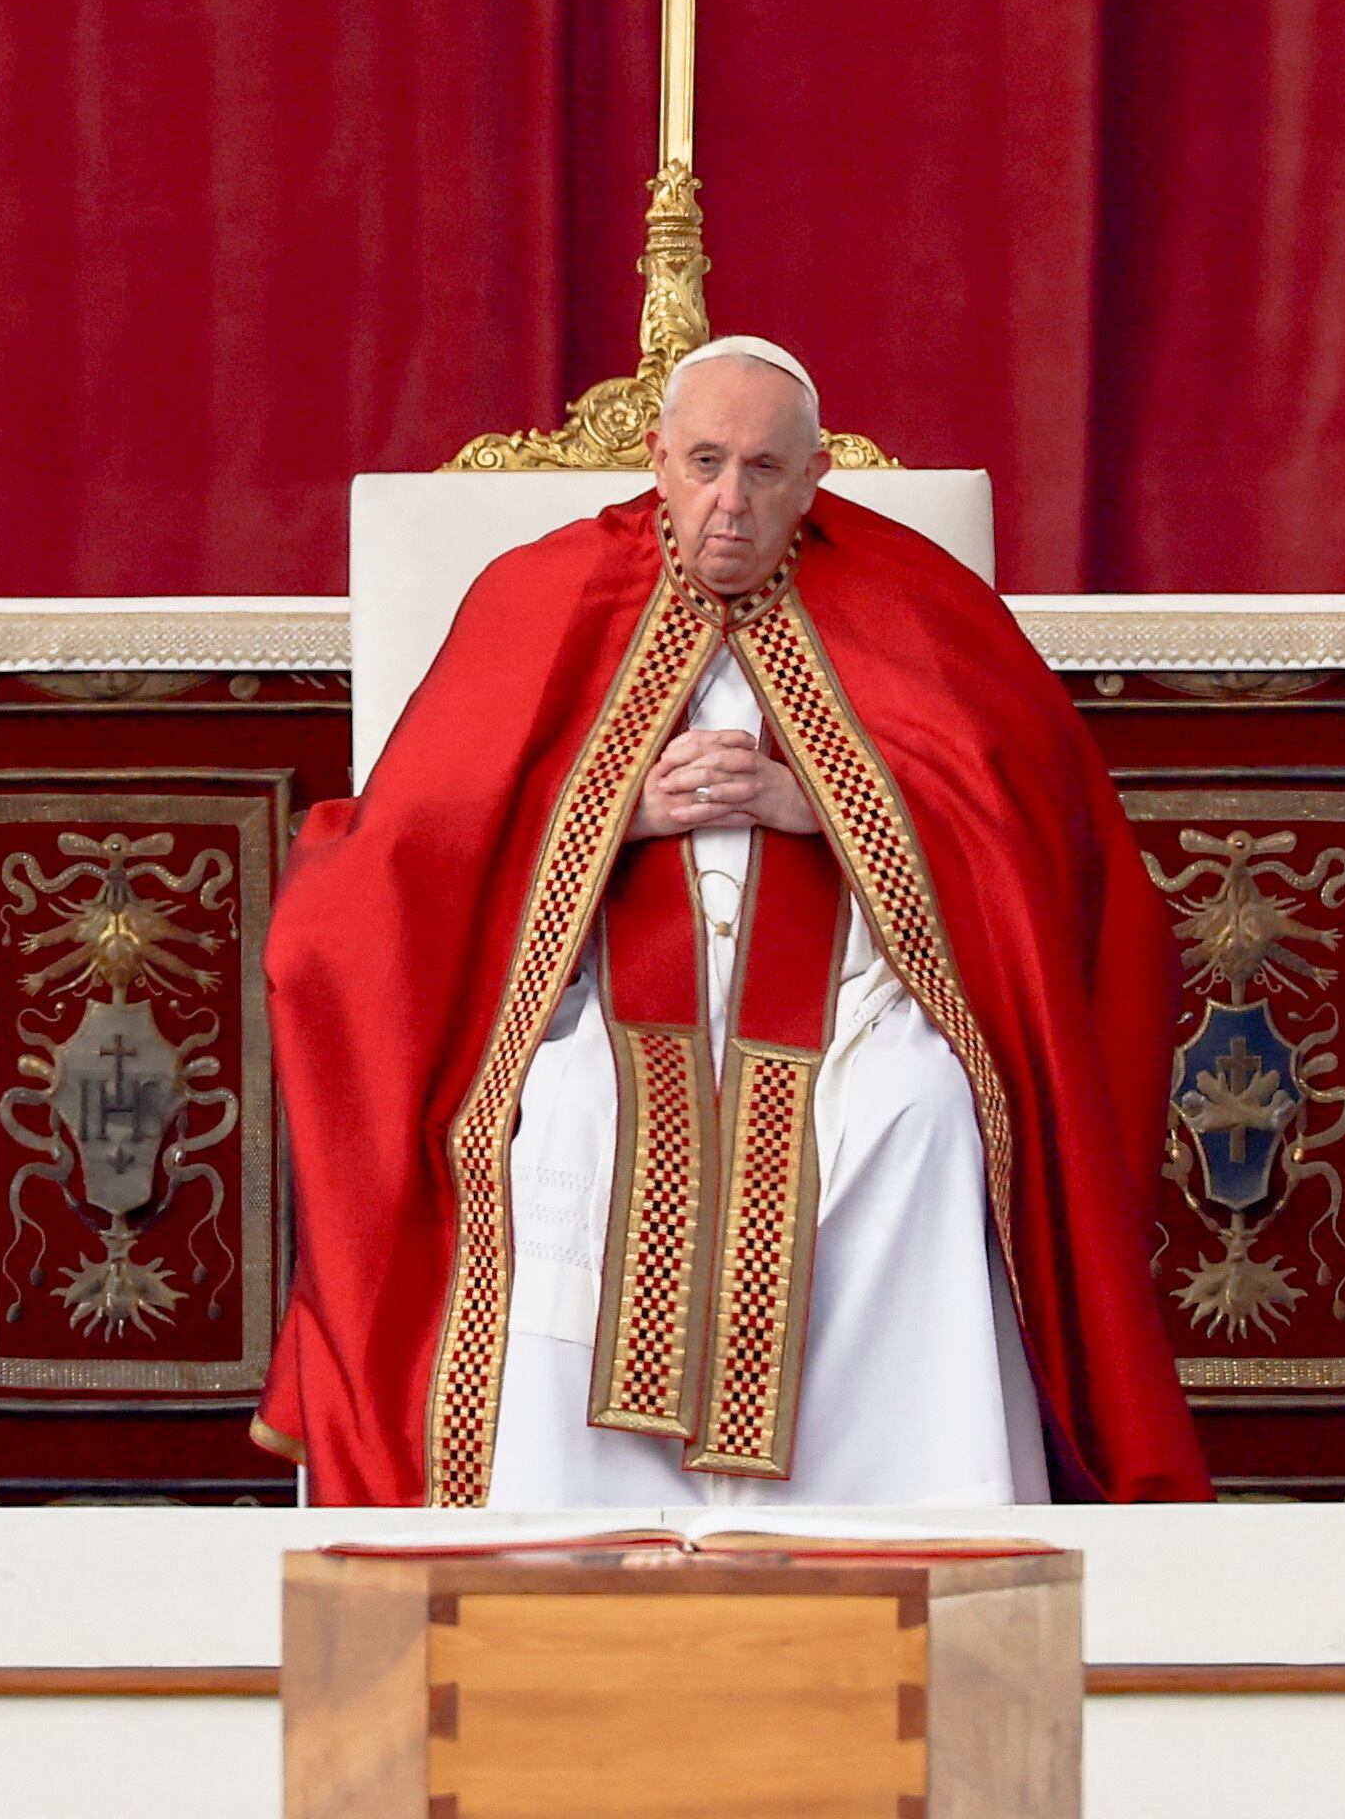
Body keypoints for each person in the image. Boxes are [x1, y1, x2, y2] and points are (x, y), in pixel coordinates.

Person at [261, 336, 1212, 1506]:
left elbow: (1042, 848)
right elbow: (412, 854)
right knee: (572, 1111)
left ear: (815, 477)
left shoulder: (917, 602)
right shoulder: (543, 593)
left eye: (764, 470)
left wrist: (837, 805)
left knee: (921, 1112)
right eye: (705, 462)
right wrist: (612, 814)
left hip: (865, 993)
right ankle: (583, 1517)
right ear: (658, 459)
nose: (729, 502)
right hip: (599, 991)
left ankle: (904, 1508)